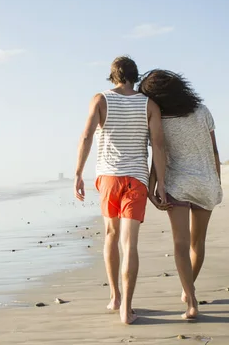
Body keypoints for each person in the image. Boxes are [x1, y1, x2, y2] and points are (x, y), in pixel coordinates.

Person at [74, 56, 167, 324]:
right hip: (136, 179)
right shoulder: (149, 104)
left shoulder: (101, 99)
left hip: (109, 178)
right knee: (130, 244)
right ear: (135, 76)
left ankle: (115, 297)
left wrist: (78, 173)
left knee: (111, 236)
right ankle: (127, 308)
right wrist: (161, 183)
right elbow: (158, 146)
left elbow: (86, 136)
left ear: (113, 76)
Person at [139, 69, 222, 320]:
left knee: (180, 244)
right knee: (198, 244)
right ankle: (189, 289)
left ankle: (192, 301)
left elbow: (159, 155)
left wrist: (153, 186)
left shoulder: (158, 118)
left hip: (177, 184)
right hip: (206, 183)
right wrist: (217, 182)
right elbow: (215, 151)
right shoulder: (202, 111)